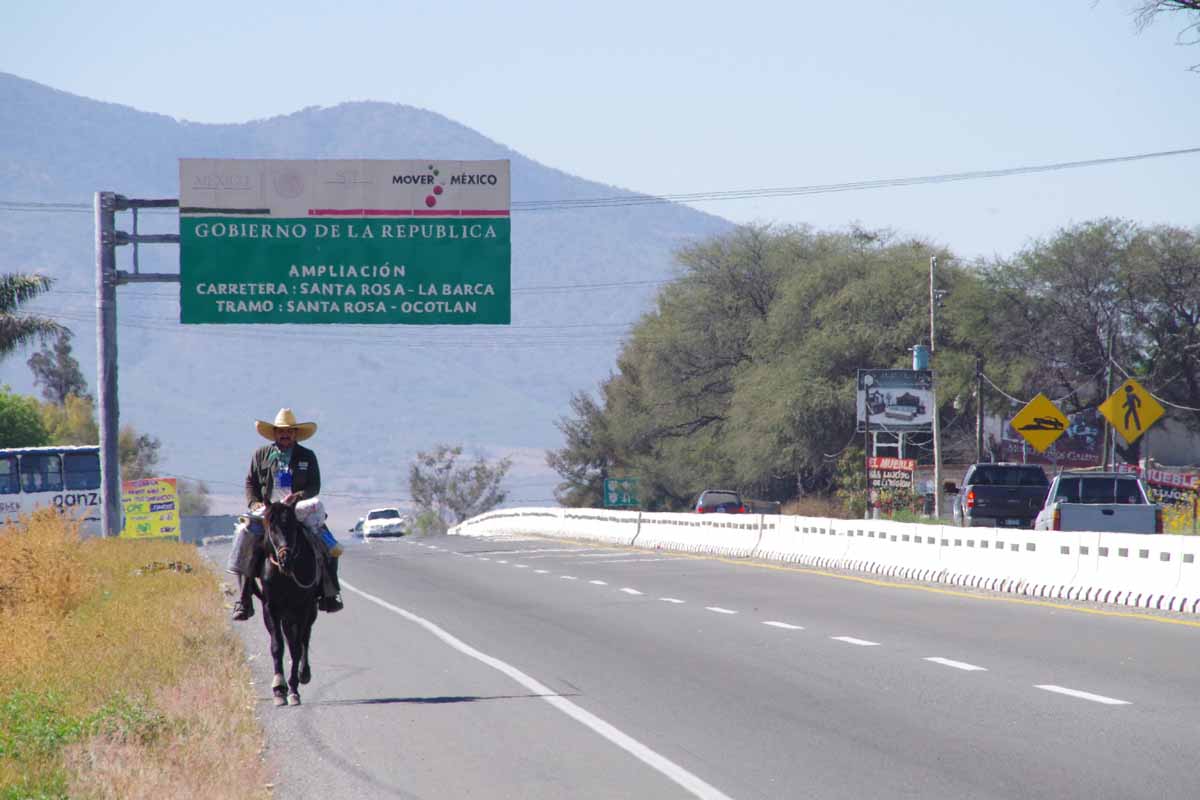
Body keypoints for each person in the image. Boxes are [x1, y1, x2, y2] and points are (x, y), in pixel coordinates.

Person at [228, 407, 343, 620]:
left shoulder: (307, 456)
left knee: (328, 543)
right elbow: (250, 482)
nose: (285, 434)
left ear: (296, 433)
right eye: (281, 431)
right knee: (243, 535)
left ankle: (330, 592)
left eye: (289, 431)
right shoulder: (261, 454)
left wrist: (298, 496)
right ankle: (243, 599)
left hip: (297, 509)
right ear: (274, 433)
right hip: (268, 510)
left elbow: (314, 485)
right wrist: (254, 502)